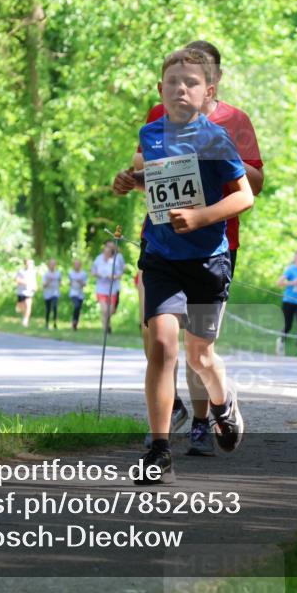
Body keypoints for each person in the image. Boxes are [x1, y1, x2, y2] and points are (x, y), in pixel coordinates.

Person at [114, 40, 264, 457]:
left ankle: (222, 402)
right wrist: (131, 182)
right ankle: (159, 447)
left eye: (191, 83)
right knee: (162, 345)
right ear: (160, 89)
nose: (181, 89)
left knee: (200, 356)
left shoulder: (216, 138)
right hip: (161, 254)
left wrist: (201, 217)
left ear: (208, 92)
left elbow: (245, 197)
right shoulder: (150, 134)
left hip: (208, 259)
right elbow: (159, 182)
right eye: (172, 82)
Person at [91, 241, 125, 333]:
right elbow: (93, 271)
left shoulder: (115, 261)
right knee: (104, 310)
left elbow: (120, 274)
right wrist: (97, 274)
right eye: (105, 252)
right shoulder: (98, 259)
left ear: (111, 253)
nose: (106, 254)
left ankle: (107, 323)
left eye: (108, 252)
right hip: (101, 289)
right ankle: (105, 328)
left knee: (111, 310)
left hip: (112, 289)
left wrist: (113, 277)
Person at [15, 259, 37, 327]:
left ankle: (25, 320)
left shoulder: (33, 272)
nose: (30, 265)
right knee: (22, 307)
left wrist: (35, 286)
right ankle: (23, 316)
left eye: (31, 264)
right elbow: (17, 279)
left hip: (29, 292)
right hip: (21, 292)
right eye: (28, 264)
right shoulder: (21, 271)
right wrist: (24, 282)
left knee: (28, 306)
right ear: (25, 264)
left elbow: (34, 281)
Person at [67, 258, 88, 330]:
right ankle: (74, 320)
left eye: (78, 264)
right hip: (73, 292)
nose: (77, 266)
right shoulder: (70, 273)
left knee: (78, 308)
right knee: (76, 306)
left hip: (80, 293)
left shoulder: (83, 274)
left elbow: (85, 284)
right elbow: (69, 282)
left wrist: (80, 282)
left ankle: (75, 323)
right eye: (75, 264)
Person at [42, 257, 62, 329]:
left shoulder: (58, 273)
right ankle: (47, 323)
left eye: (54, 264)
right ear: (48, 265)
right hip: (47, 293)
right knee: (48, 309)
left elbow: (60, 283)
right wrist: (49, 281)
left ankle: (55, 323)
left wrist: (59, 284)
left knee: (55, 307)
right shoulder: (46, 274)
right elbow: (44, 285)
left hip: (55, 293)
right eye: (51, 264)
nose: (53, 265)